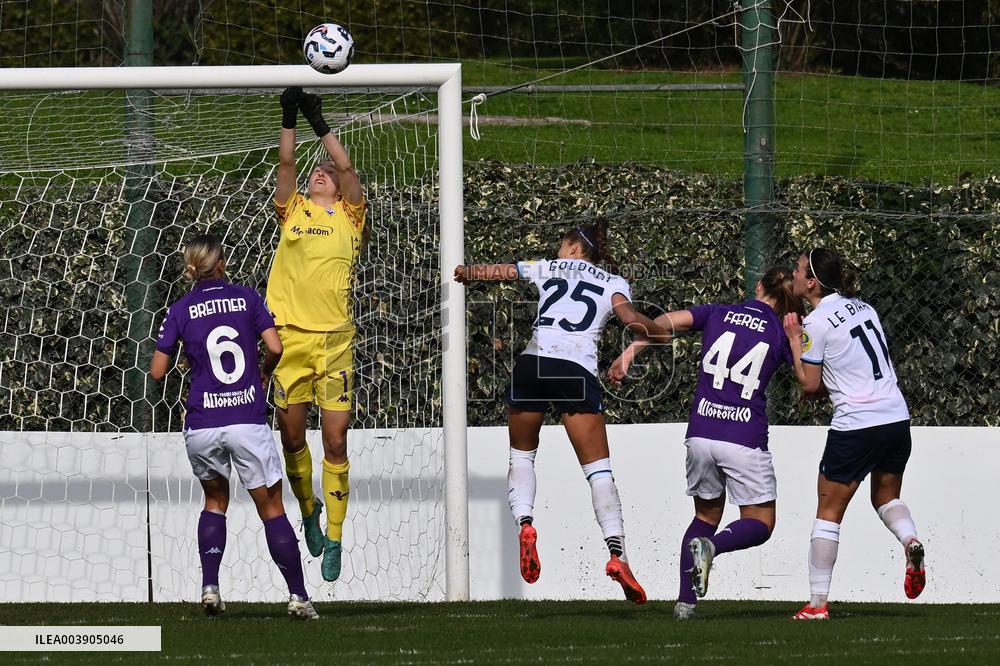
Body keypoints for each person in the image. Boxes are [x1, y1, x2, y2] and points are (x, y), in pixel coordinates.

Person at [454, 219, 667, 604]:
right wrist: (655, 331)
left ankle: (525, 523)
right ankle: (618, 555)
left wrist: (467, 273)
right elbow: (631, 320)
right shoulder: (611, 282)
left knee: (521, 455)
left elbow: (501, 271)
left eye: (560, 244)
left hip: (533, 364)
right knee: (598, 471)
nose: (557, 251)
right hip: (575, 369)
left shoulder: (549, 267)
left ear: (572, 247)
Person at [608, 267, 804, 620]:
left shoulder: (717, 311)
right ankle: (713, 547)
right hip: (743, 436)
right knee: (761, 523)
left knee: (704, 516)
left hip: (701, 431)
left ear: (758, 286)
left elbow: (664, 323)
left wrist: (630, 352)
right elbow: (808, 378)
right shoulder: (779, 329)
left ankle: (686, 604)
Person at [149, 234, 317, 620]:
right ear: (221, 263)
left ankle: (210, 586)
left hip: (202, 424)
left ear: (191, 267)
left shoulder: (180, 308)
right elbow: (275, 347)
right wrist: (261, 374)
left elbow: (157, 372)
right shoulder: (247, 298)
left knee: (214, 502)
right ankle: (298, 596)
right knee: (272, 509)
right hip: (245, 419)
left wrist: (192, 359)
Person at [783, 248, 925, 620]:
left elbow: (810, 385)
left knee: (828, 514)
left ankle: (816, 605)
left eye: (798, 271)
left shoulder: (816, 322)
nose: (794, 275)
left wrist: (795, 338)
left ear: (812, 282)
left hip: (856, 425)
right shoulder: (865, 308)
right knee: (887, 497)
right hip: (895, 418)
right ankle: (910, 541)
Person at [268, 86, 367, 582]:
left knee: (335, 440)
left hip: (335, 343)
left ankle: (334, 535)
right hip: (289, 341)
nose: (320, 172)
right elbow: (286, 166)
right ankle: (306, 508)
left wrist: (318, 121)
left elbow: (347, 170)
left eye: (324, 172)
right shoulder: (294, 211)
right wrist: (290, 117)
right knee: (290, 436)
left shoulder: (350, 215)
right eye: (315, 173)